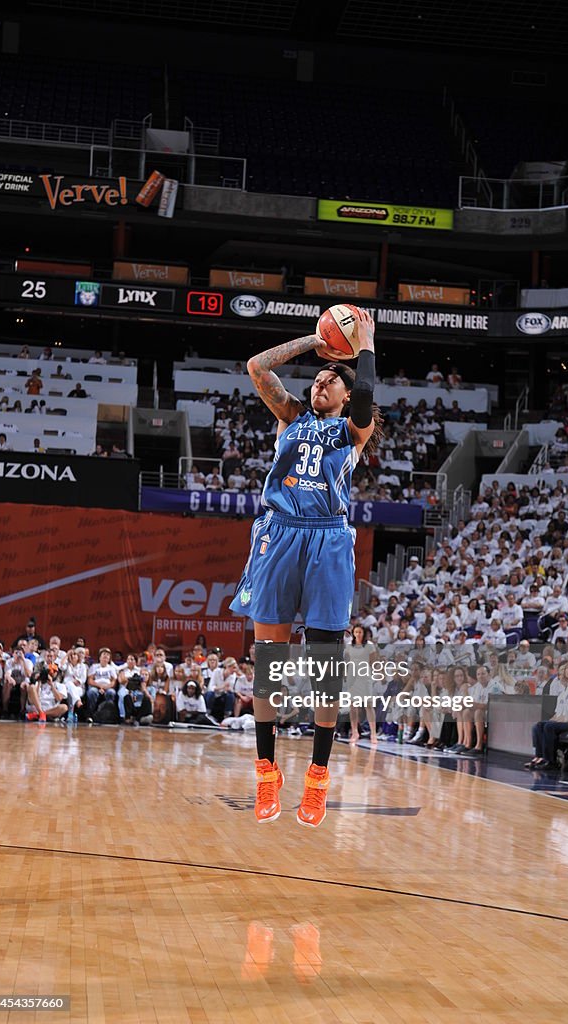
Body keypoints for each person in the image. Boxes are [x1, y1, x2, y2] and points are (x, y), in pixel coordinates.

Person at [229, 308, 382, 828]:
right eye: (318, 378)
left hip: (329, 541)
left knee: (324, 670)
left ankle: (317, 777)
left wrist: (363, 348)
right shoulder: (291, 418)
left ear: (345, 396)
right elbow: (256, 365)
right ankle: (266, 771)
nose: (321, 382)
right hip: (280, 534)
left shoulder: (351, 431)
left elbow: (364, 397)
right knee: (268, 661)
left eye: (330, 380)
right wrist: (314, 340)